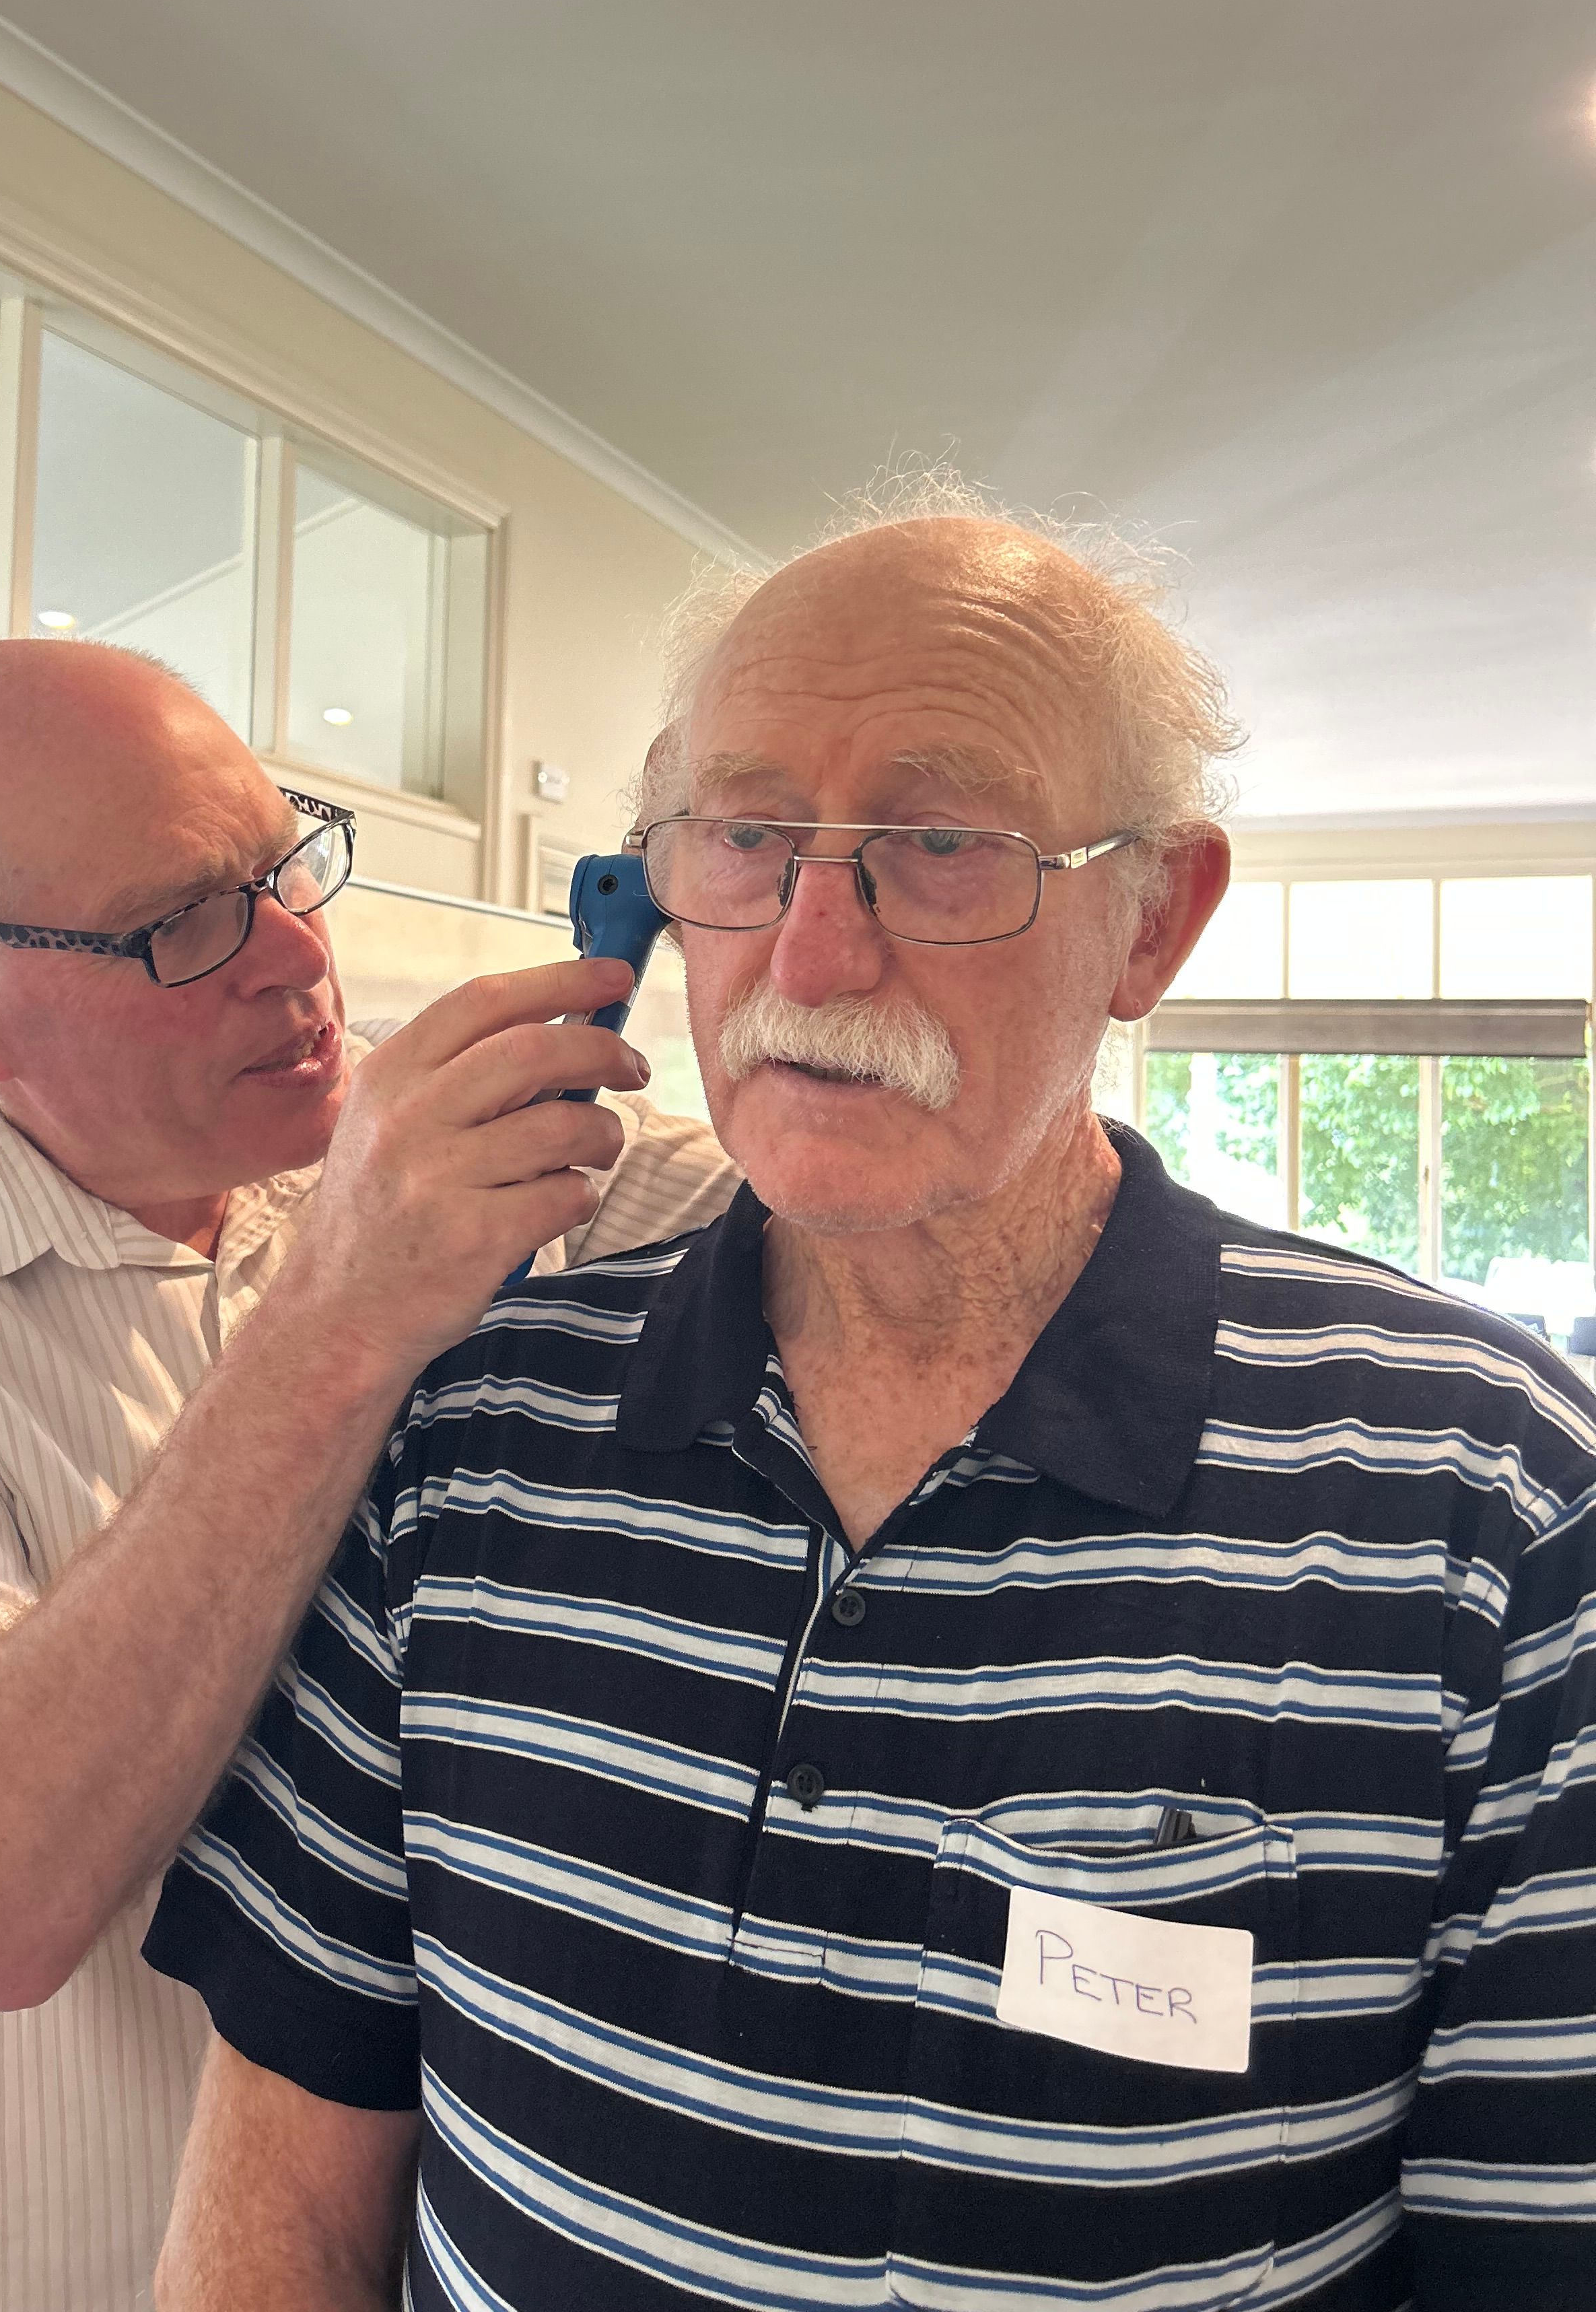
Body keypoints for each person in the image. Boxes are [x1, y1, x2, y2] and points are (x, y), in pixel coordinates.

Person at [146, 487, 1596, 2312]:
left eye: (940, 845)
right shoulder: (465, 1438)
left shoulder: (1491, 1497)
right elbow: (288, 2155)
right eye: (747, 840)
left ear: (1153, 920)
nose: (814, 959)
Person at [0, 638, 736, 2312]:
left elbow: (838, 1201)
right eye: (181, 923)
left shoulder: (399, 1137)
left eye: (281, 867)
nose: (300, 959)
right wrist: (336, 1315)